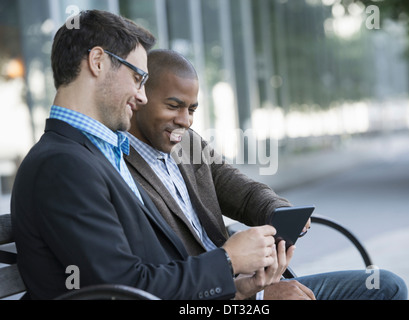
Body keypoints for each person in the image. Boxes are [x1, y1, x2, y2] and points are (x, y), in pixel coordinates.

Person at [10, 10, 279, 300]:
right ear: (97, 62)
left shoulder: (101, 153)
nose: (142, 96)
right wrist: (228, 261)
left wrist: (240, 292)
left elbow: (153, 271)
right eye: (138, 77)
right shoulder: (62, 165)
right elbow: (125, 290)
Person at [125, 49, 408, 300]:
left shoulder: (187, 142)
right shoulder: (118, 168)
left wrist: (278, 212)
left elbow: (242, 191)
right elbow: (158, 277)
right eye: (174, 106)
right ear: (139, 98)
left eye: (192, 109)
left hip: (251, 281)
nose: (185, 120)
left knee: (386, 286)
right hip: (217, 292)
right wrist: (257, 294)